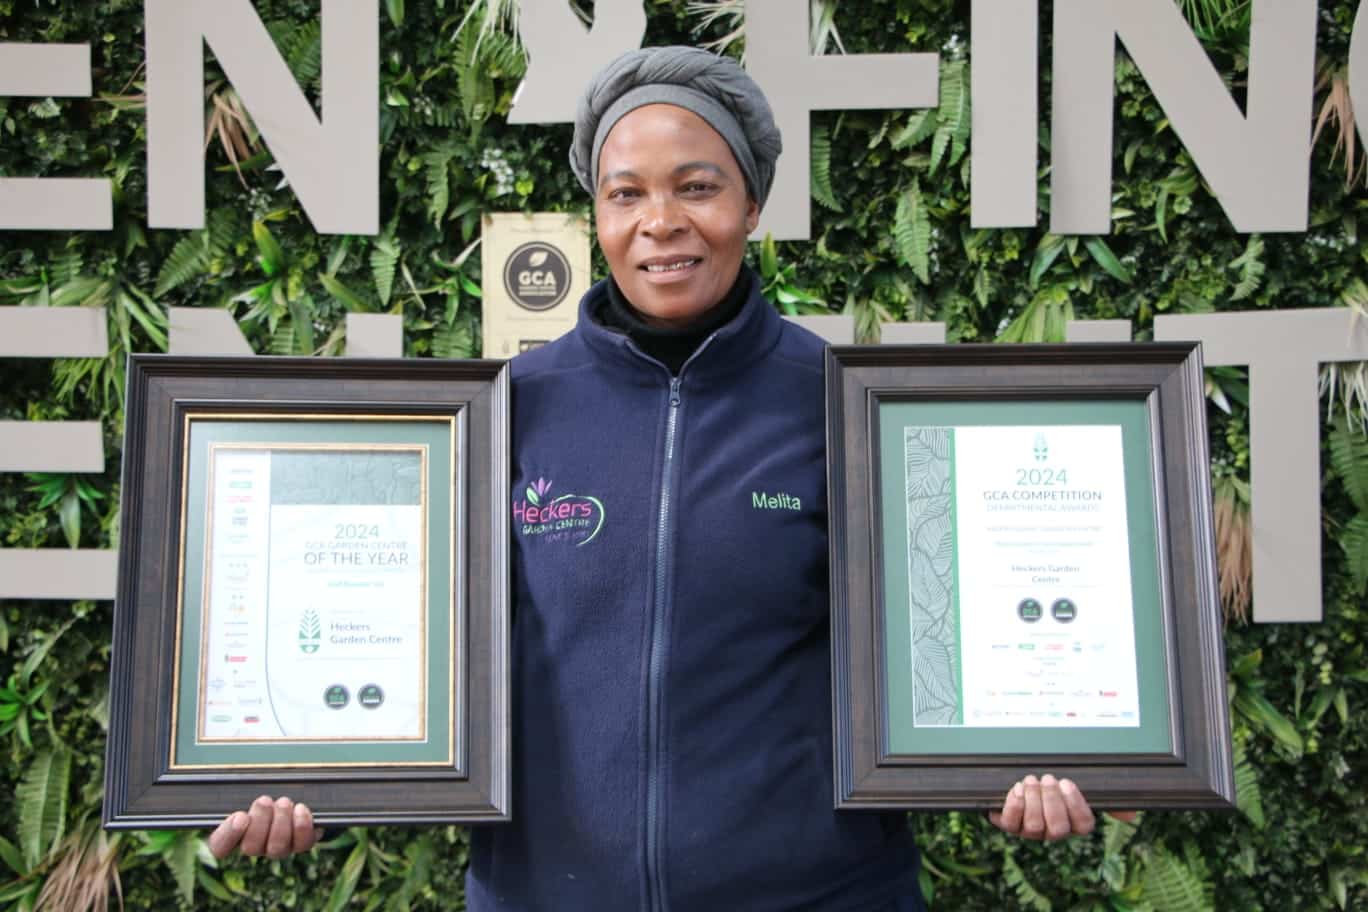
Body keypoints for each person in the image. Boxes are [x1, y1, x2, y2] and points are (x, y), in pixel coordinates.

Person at [209, 46, 1115, 909]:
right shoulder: (506, 411)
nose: (661, 221)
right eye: (626, 193)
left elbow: (949, 638)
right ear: (596, 216)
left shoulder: (845, 406)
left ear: (752, 204)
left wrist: (1021, 755)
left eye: (697, 186)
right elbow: (409, 645)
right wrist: (306, 774)